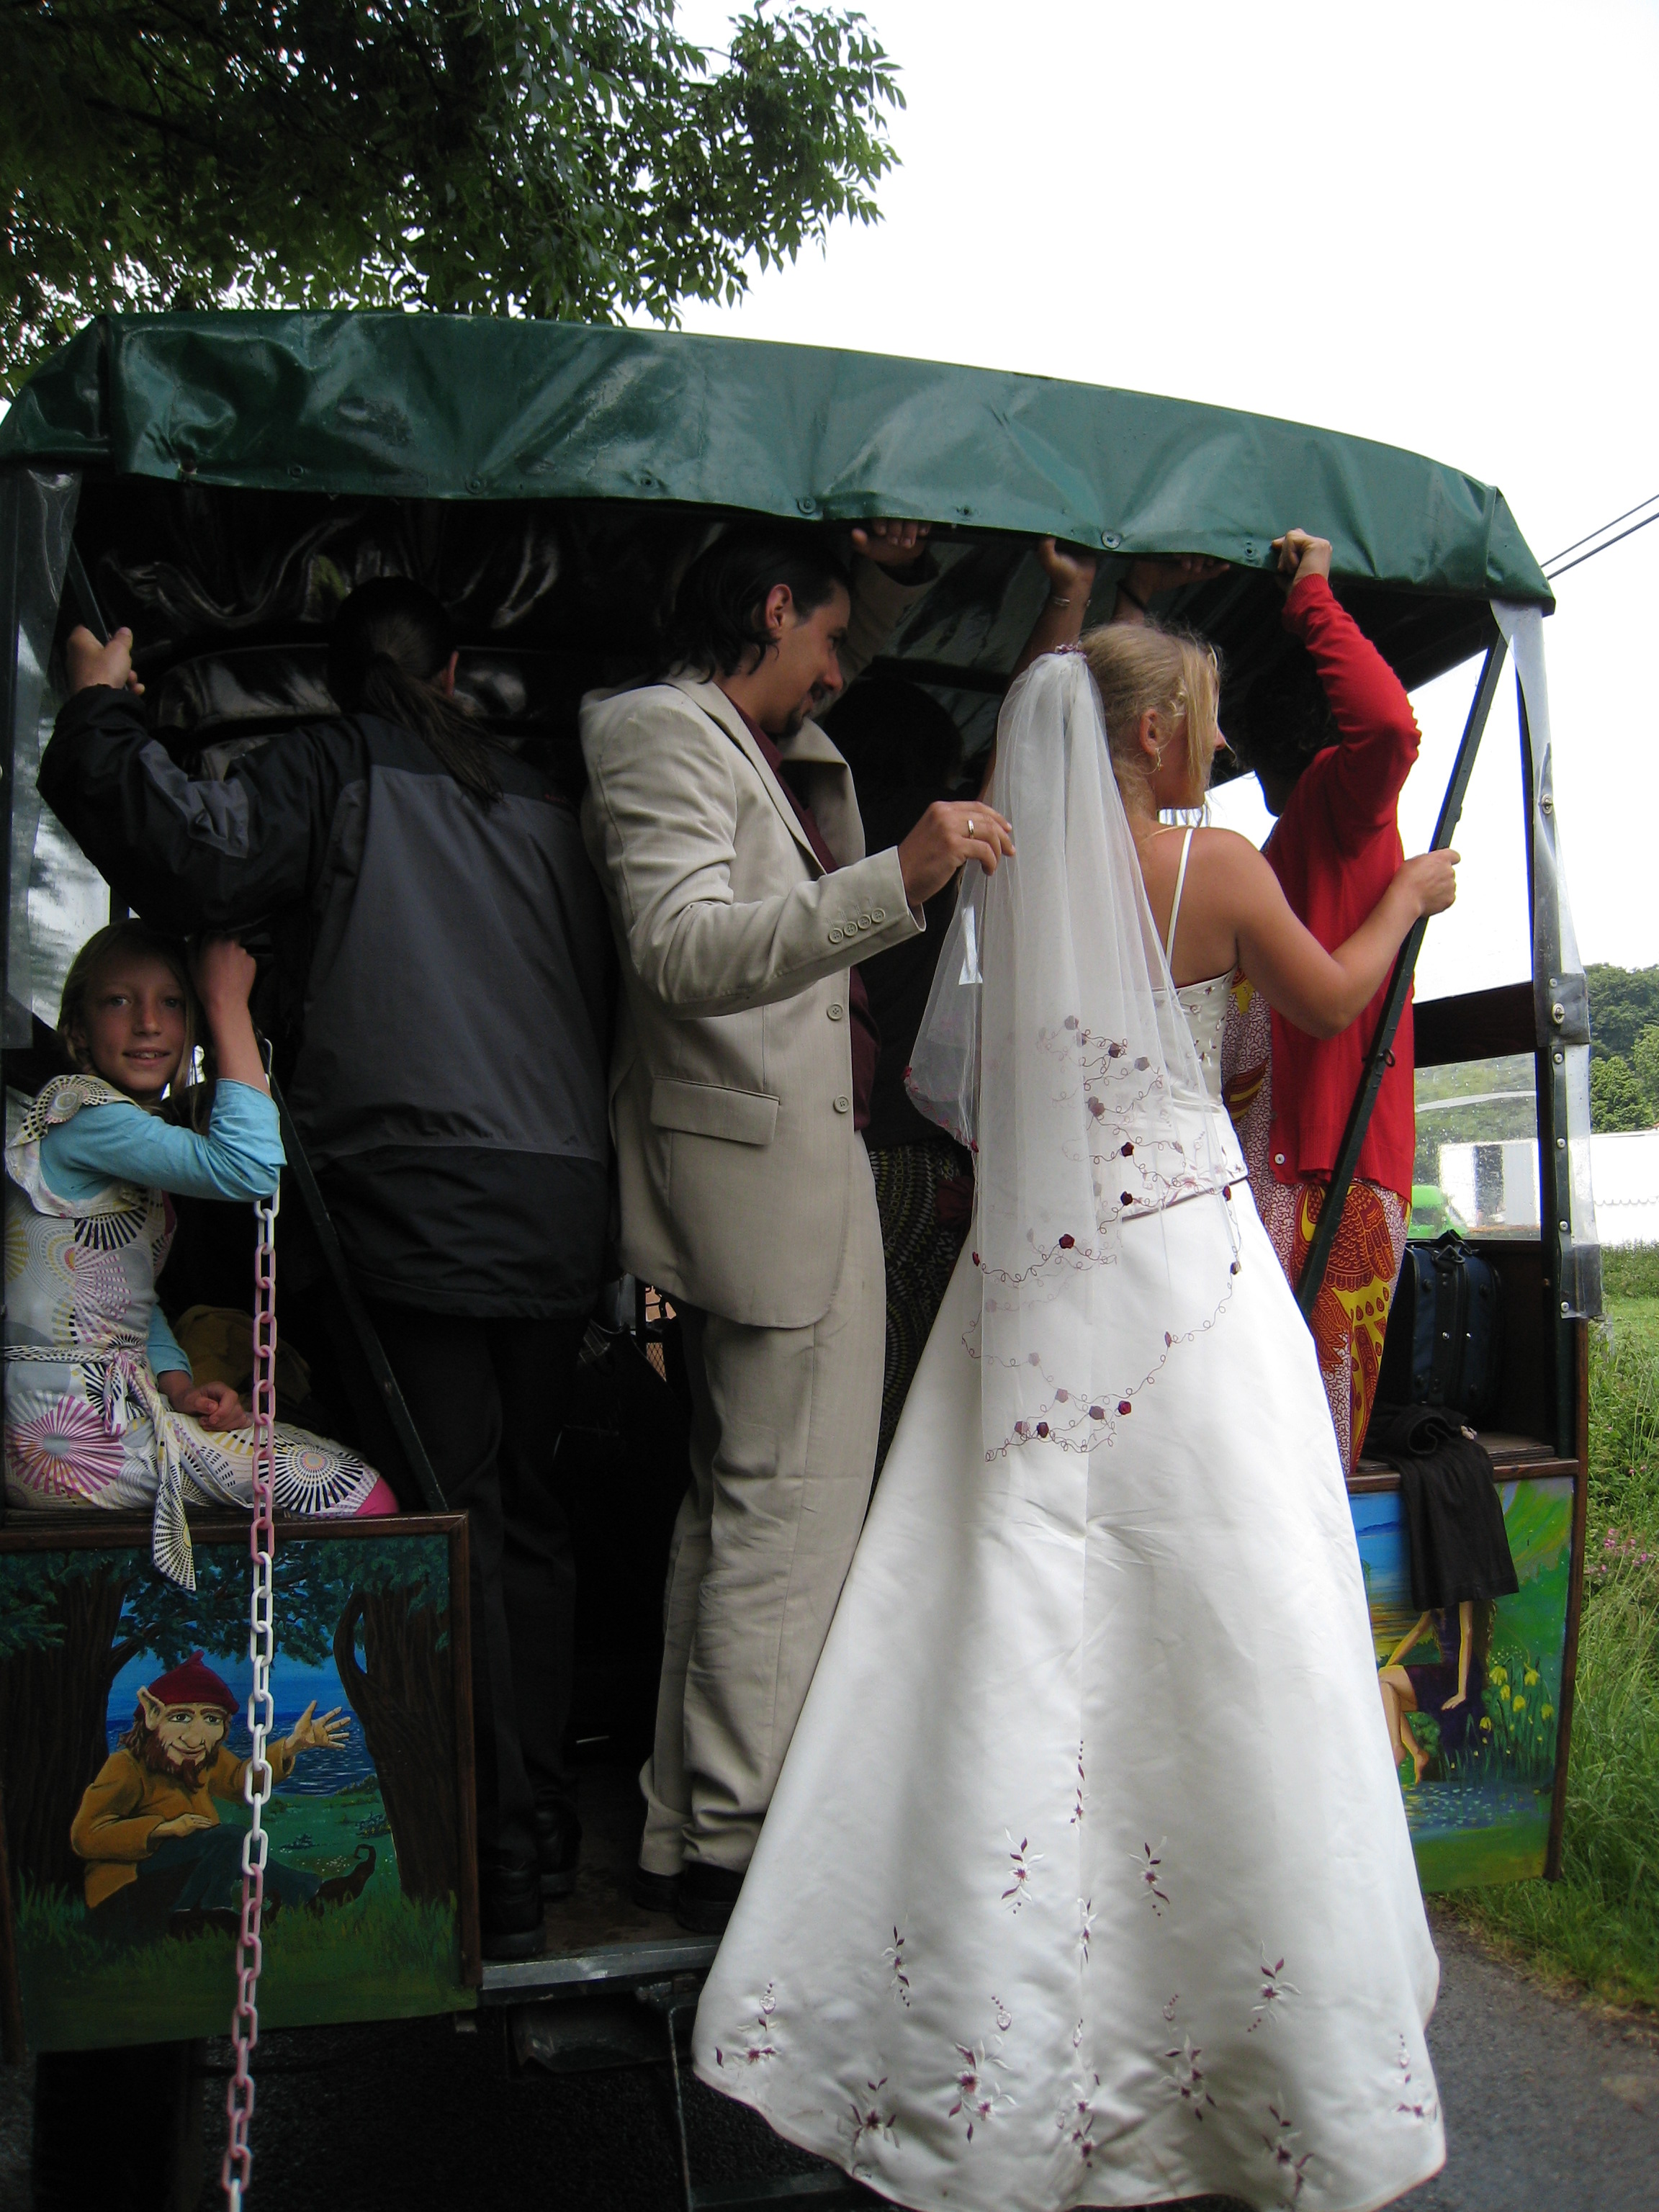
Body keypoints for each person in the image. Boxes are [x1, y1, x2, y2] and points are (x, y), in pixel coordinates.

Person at [692, 619, 1457, 2211]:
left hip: (1031, 1274)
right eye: (1206, 720)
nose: (1216, 746)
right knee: (1232, 1594)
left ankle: (986, 2028)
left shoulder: (1007, 875)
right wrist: (1407, 901)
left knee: (1001, 1600)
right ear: (1157, 730)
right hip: (1183, 1267)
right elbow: (1328, 1003)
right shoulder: (1210, 868)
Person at [37, 578, 613, 1960]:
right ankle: (538, 1826)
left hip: (417, 1194)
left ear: (341, 682)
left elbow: (191, 849)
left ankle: (486, 1857)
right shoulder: (545, 803)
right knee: (529, 1515)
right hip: (561, 1198)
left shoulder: (331, 767)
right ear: (455, 670)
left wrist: (101, 711)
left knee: (447, 1513)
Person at [580, 518, 1016, 1934]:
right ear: (773, 610)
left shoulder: (734, 731)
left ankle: (689, 1827)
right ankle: (736, 1850)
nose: (839, 672)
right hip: (763, 1181)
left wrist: (881, 573)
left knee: (744, 1512)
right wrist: (900, 880)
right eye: (827, 638)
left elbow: (842, 638)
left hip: (788, 1171)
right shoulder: (659, 731)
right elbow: (680, 948)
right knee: (788, 1518)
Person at [4, 922, 394, 1587]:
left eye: (173, 1003)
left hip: (83, 1422)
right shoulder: (86, 1116)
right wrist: (226, 1004)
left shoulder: (117, 1133)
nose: (149, 1023)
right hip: (69, 1435)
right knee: (358, 1492)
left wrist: (178, 1385)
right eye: (119, 1001)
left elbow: (126, 1301)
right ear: (77, 1031)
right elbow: (250, 1167)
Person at [1221, 529, 1425, 1473]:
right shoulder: (1335, 811)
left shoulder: (1302, 828)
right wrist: (1310, 596)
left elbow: (1382, 726)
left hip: (1289, 1163)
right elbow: (1390, 729)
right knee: (1313, 1442)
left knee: (1273, 1431)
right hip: (1330, 1166)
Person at [71, 1651, 376, 1942]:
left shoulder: (203, 1761)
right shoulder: (126, 1767)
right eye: (180, 1717)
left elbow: (241, 1780)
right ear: (153, 1716)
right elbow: (85, 1835)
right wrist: (162, 1829)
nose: (196, 1737)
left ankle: (213, 1914)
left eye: (212, 1720)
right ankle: (308, 1897)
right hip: (123, 1893)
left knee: (225, 1846)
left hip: (178, 1879)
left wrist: (290, 1747)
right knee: (228, 1840)